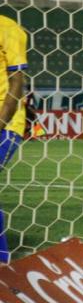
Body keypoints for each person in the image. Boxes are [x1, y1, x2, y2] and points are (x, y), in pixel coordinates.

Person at [0, 14, 27, 263]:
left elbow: (17, 81)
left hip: (6, 124)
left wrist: (1, 123)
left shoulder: (8, 28)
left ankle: (2, 261)